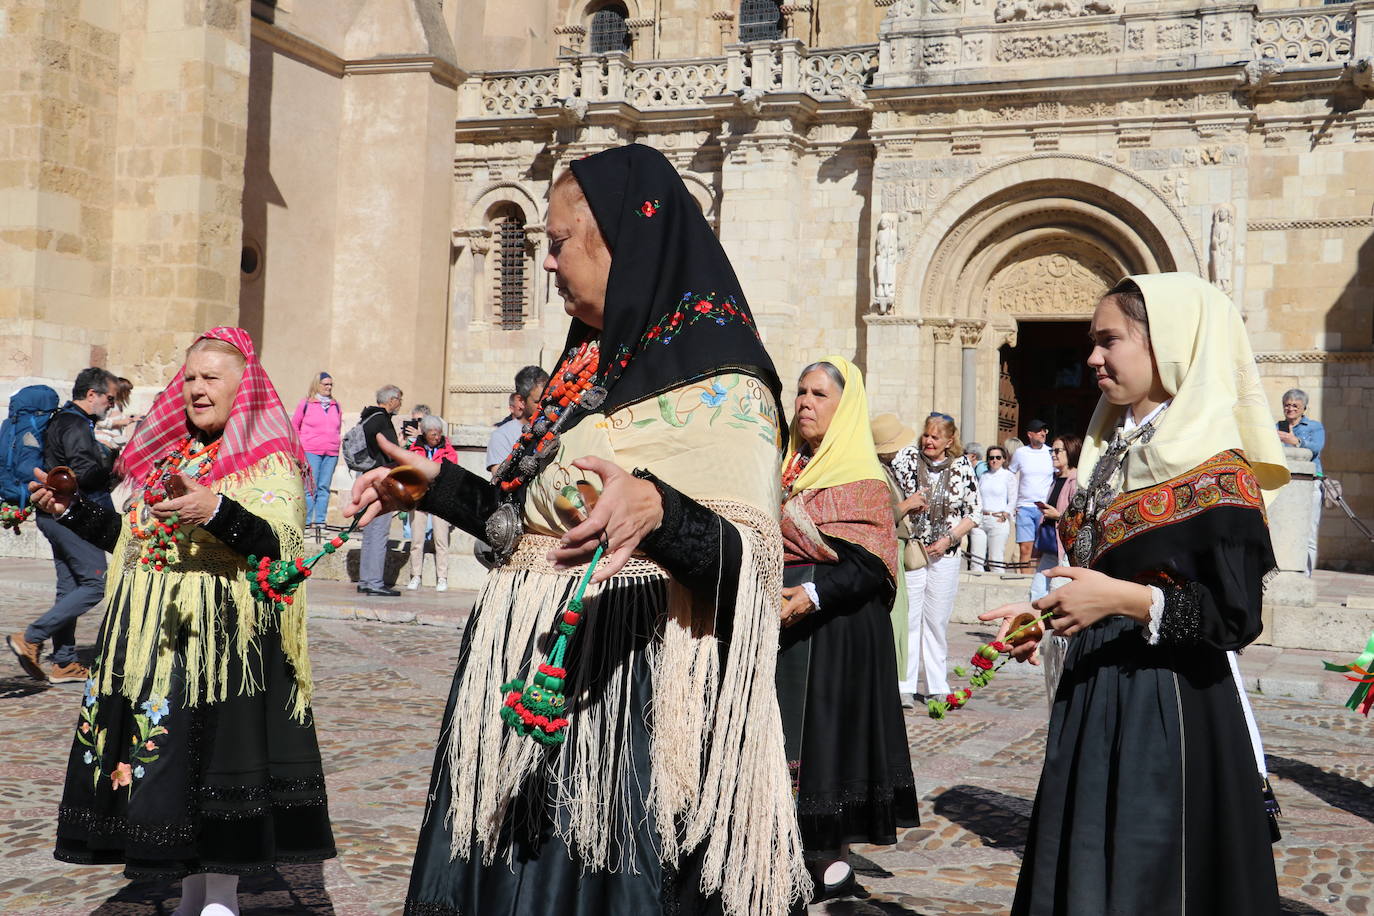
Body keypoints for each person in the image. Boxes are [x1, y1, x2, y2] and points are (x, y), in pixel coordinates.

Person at [350, 144, 807, 916]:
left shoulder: (725, 377)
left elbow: (748, 572)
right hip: (525, 686)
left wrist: (661, 511)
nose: (549, 264)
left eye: (558, 243)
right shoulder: (585, 371)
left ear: (623, 238)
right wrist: (440, 489)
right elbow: (520, 528)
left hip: (627, 708)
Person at [981, 274, 1288, 915]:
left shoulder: (1217, 469)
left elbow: (1234, 616)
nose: (1092, 357)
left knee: (1149, 875)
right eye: (1093, 343)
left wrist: (1125, 603)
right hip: (1097, 688)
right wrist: (1045, 613)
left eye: (1108, 340)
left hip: (1170, 707)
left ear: (1166, 346)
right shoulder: (1110, 456)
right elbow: (1103, 576)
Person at [28, 327, 334, 916]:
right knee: (169, 779)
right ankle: (194, 896)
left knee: (213, 776)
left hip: (222, 644)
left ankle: (220, 900)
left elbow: (282, 550)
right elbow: (130, 542)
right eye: (189, 377)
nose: (196, 388)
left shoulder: (269, 460)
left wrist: (217, 510)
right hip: (158, 644)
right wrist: (73, 512)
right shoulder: (171, 457)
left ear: (241, 387)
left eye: (210, 377)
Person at [778, 361, 918, 900]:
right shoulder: (785, 467)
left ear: (846, 406)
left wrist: (811, 594)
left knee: (823, 745)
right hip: (784, 629)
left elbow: (871, 564)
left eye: (820, 394)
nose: (805, 402)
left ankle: (828, 862)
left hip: (834, 630)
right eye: (801, 392)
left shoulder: (861, 476)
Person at [7, 367, 117, 684]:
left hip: (52, 515)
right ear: (92, 395)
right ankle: (31, 637)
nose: (110, 404)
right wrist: (113, 467)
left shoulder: (61, 420)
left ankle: (65, 662)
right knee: (96, 584)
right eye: (109, 398)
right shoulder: (75, 424)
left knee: (70, 586)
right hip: (71, 515)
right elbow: (83, 471)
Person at [890, 413, 980, 710]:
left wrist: (949, 540)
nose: (929, 441)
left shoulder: (963, 466)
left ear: (949, 441)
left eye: (935, 437)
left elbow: (974, 513)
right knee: (909, 617)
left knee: (936, 620)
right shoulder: (906, 459)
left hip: (946, 554)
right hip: (914, 551)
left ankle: (936, 684)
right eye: (926, 435)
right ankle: (904, 683)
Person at [871, 413, 918, 685]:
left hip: (898, 546)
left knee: (901, 616)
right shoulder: (876, 472)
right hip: (890, 550)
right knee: (896, 616)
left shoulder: (887, 469)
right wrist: (907, 505)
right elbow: (880, 514)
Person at [356, 385, 402, 597]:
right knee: (379, 531)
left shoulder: (368, 416)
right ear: (391, 400)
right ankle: (374, 582)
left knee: (369, 530)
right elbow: (391, 453)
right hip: (379, 478)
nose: (400, 404)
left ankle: (366, 580)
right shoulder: (382, 420)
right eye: (399, 399)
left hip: (366, 476)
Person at [406, 415, 458, 592]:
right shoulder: (414, 449)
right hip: (420, 496)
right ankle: (415, 575)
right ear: (425, 433)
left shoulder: (448, 450)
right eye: (434, 434)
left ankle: (442, 577)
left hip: (439, 497)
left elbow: (451, 472)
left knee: (441, 539)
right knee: (417, 539)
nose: (437, 437)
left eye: (439, 434)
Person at [1277, 388, 1325, 575]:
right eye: (1287, 405)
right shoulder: (1277, 427)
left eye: (1295, 405)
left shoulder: (1314, 427)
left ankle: (1305, 575)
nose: (1290, 409)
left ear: (1304, 407)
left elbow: (1316, 447)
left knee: (1309, 533)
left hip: (1310, 483)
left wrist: (1295, 441)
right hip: (1283, 483)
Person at [1028, 434, 1081, 603]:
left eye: (1057, 450)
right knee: (1036, 592)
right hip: (1051, 545)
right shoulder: (1057, 479)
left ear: (1070, 452)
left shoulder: (1077, 481)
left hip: (1065, 549)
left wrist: (1057, 515)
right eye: (1052, 450)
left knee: (1057, 593)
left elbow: (1081, 518)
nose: (1053, 454)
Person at [291, 371, 342, 538]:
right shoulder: (306, 403)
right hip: (310, 451)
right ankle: (306, 523)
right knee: (310, 488)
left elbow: (337, 428)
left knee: (324, 488)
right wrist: (299, 449)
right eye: (325, 384)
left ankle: (320, 522)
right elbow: (295, 426)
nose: (329, 387)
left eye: (330, 384)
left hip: (331, 452)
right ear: (317, 385)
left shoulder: (336, 405)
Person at [484, 365, 548, 474]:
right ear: (521, 401)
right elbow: (499, 478)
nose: (545, 405)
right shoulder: (502, 436)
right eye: (537, 401)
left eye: (547, 399)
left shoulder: (559, 426)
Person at [1009, 419, 1054, 571]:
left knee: (1041, 550)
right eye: (1039, 431)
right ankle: (1023, 582)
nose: (1043, 433)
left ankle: (1039, 585)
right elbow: (1010, 477)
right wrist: (1012, 503)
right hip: (1025, 507)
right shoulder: (1020, 453)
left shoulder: (1050, 452)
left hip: (1044, 508)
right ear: (1030, 434)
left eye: (1045, 431)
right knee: (1025, 549)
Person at [969, 444, 1013, 572]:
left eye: (998, 457)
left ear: (1004, 459)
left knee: (995, 560)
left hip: (998, 519)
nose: (994, 460)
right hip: (981, 518)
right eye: (991, 457)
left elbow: (1013, 498)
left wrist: (1006, 514)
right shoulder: (984, 476)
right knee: (976, 560)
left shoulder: (1007, 476)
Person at [94, 377, 142, 454]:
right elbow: (100, 422)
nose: (129, 393)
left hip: (114, 444)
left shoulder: (118, 405)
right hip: (104, 443)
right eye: (128, 390)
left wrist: (130, 420)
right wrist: (123, 422)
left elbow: (119, 421)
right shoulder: (108, 404)